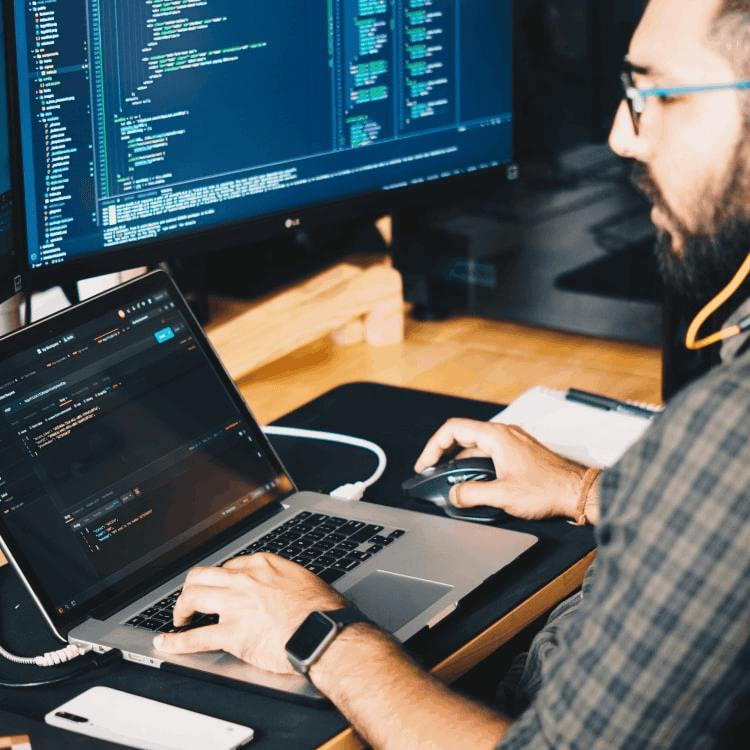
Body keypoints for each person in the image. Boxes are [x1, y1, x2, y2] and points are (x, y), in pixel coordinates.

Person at [154, 0, 750, 746]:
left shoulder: (731, 430)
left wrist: (321, 637)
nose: (621, 137)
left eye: (654, 94)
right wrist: (586, 490)